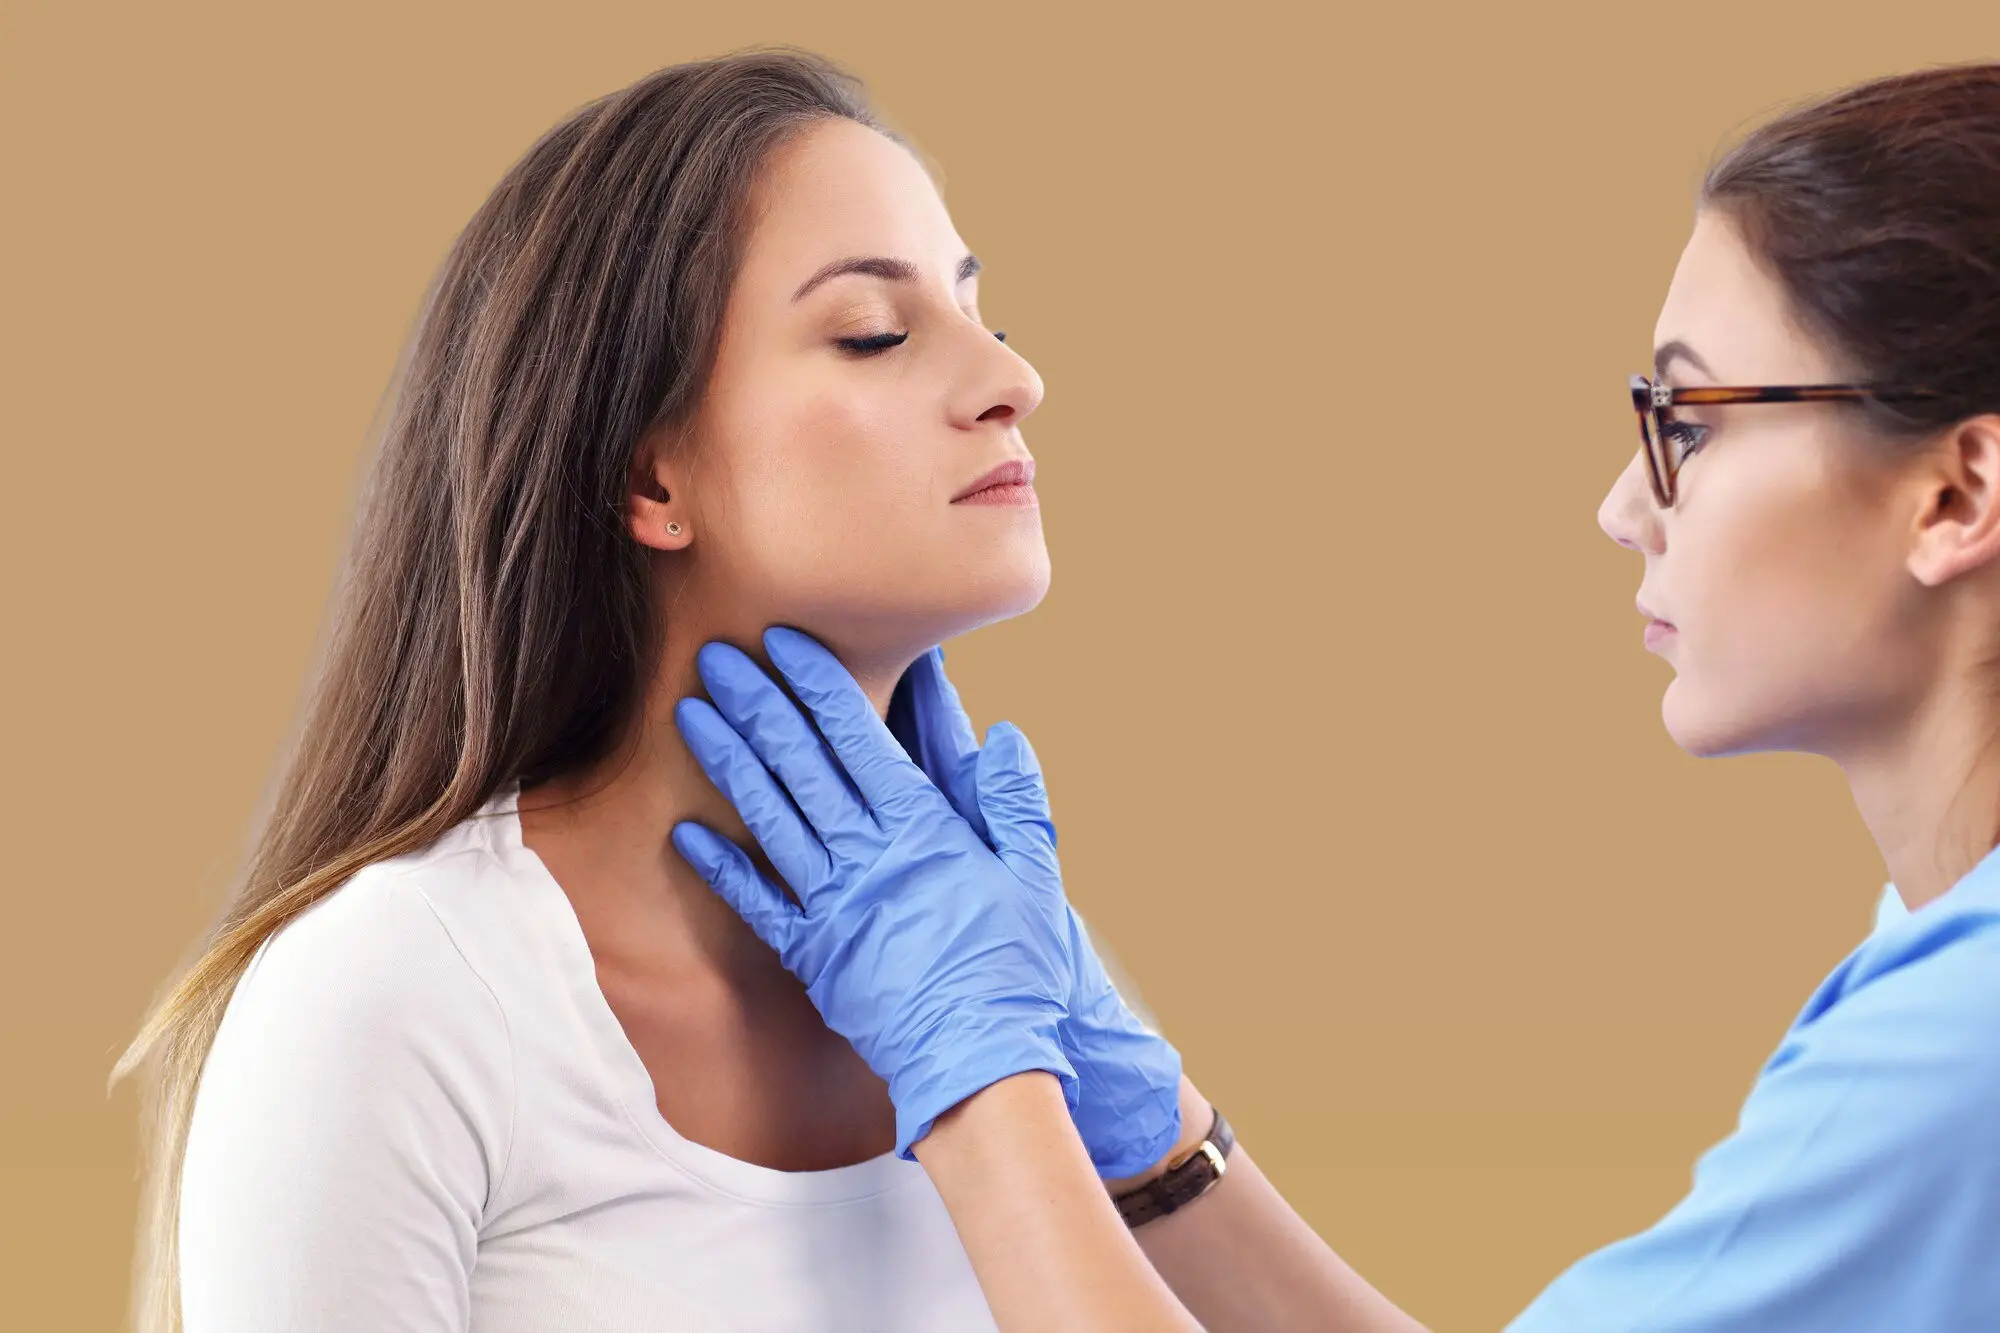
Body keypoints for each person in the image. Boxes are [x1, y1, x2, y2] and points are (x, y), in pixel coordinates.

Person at [673, 63, 2000, 1330]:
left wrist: (979, 1076)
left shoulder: (1954, 1058)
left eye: (1689, 422)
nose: (1621, 506)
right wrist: (1154, 1137)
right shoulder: (1942, 970)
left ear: (1957, 495)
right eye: (872, 335)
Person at [111, 48, 1172, 1332]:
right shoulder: (399, 995)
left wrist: (1122, 1126)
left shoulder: (987, 981)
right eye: (875, 333)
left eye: (981, 316)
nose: (1015, 379)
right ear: (650, 481)